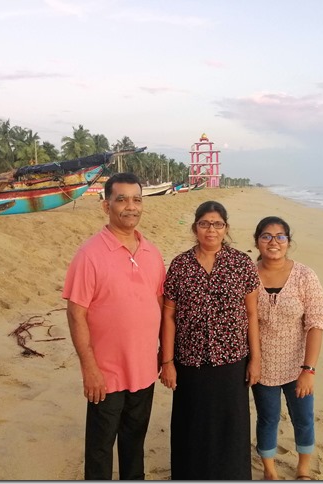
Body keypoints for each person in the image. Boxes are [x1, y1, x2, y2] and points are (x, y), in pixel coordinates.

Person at [62, 172, 166, 480]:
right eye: (121, 200)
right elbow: (75, 314)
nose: (130, 207)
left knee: (135, 443)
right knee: (100, 447)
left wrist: (163, 352)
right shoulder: (89, 254)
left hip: (145, 370)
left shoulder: (152, 252)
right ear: (106, 206)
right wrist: (89, 369)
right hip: (105, 373)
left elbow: (159, 305)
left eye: (136, 199)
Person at [159, 200, 261, 480]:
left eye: (217, 224)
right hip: (189, 362)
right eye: (204, 223)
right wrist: (167, 361)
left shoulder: (241, 263)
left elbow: (252, 314)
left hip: (232, 362)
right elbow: (168, 317)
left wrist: (256, 359)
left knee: (231, 428)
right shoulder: (180, 265)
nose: (211, 230)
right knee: (191, 426)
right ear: (195, 228)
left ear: (225, 228)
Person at [251, 216, 323, 480]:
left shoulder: (305, 275)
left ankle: (303, 469)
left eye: (280, 236)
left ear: (288, 242)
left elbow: (316, 323)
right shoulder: (247, 274)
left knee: (304, 419)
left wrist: (309, 369)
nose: (273, 242)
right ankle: (270, 471)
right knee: (268, 419)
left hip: (298, 367)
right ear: (257, 241)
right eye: (266, 236)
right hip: (262, 367)